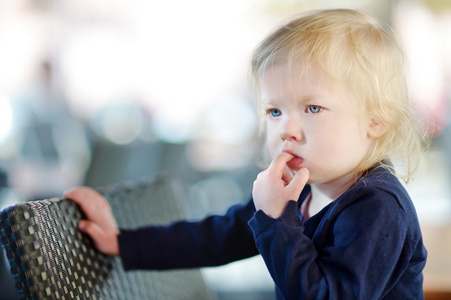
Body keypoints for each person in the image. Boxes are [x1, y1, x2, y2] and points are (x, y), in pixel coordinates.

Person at [65, 9, 428, 299]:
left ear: (376, 118)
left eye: (313, 108)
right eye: (275, 111)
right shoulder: (298, 191)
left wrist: (276, 219)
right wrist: (123, 242)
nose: (286, 128)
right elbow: (215, 237)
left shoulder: (377, 206)